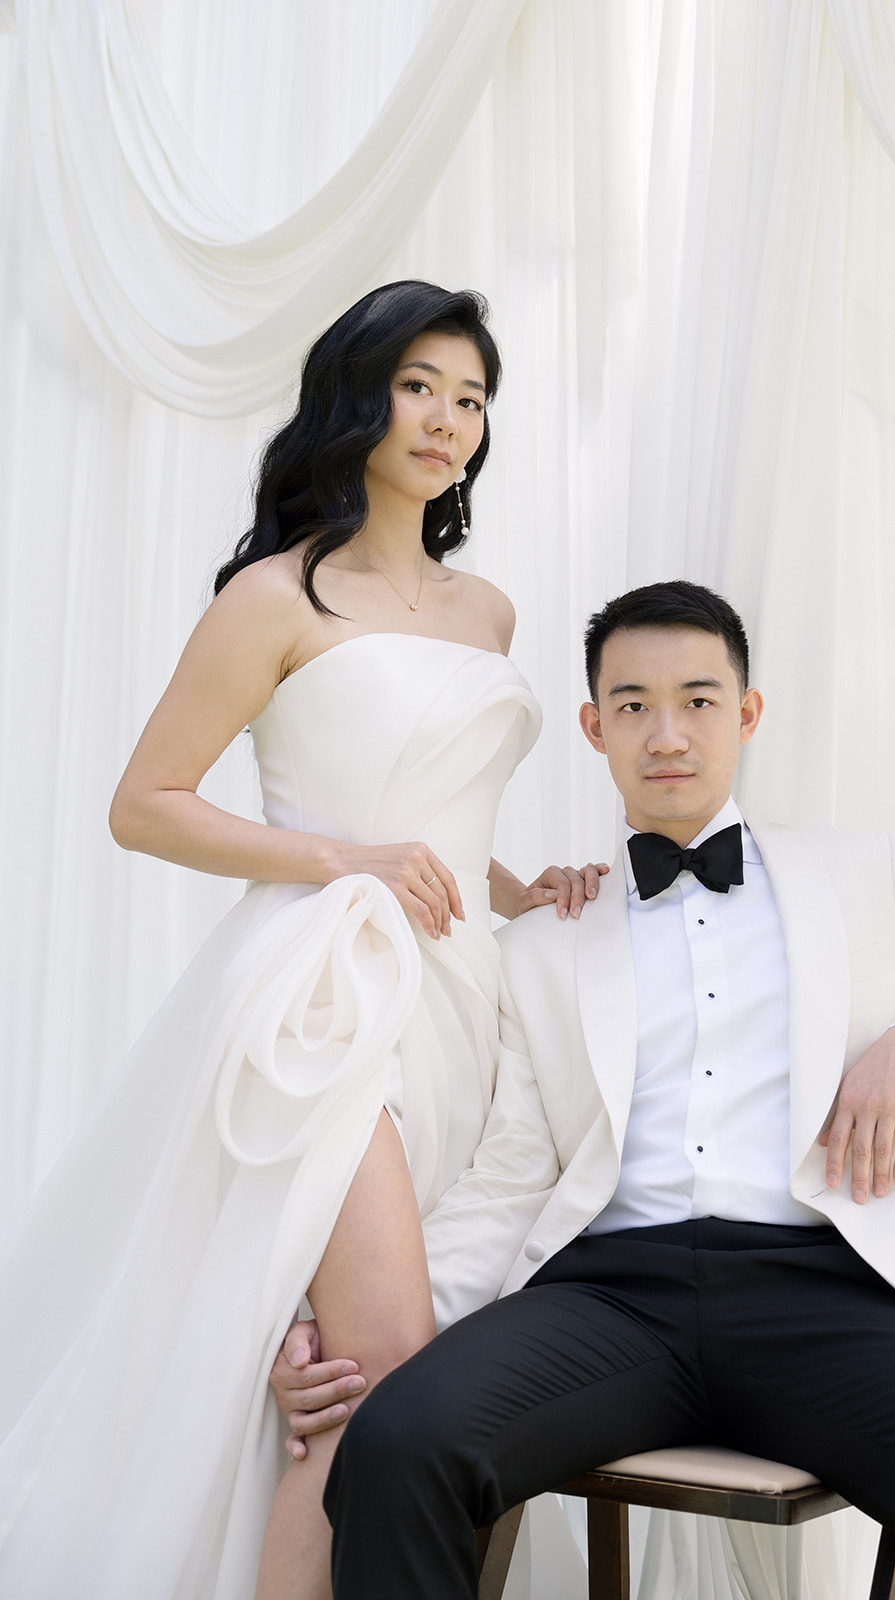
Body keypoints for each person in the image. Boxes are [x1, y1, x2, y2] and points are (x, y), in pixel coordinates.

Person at [276, 580, 895, 1599]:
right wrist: (364, 1341)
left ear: (747, 712)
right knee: (400, 1441)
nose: (668, 732)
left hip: (821, 1298)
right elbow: (511, 1178)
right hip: (607, 1302)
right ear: (596, 727)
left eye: (698, 698)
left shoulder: (859, 874)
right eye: (634, 705)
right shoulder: (548, 943)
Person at [0, 281, 605, 1600]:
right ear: (357, 393)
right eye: (421, 386)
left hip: (461, 1004)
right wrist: (345, 860)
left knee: (370, 1381)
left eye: (473, 396)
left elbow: (431, 820)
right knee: (377, 1382)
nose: (450, 418)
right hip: (323, 997)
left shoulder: (486, 610)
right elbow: (142, 805)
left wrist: (511, 889)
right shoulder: (274, 597)